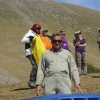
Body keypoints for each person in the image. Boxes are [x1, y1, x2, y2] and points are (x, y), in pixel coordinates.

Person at [21, 23, 41, 88]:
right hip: (30, 52)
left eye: (39, 29)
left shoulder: (36, 35)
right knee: (35, 66)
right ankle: (31, 81)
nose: (38, 30)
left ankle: (35, 81)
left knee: (38, 66)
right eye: (37, 29)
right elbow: (23, 40)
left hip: (35, 52)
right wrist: (30, 39)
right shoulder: (29, 34)